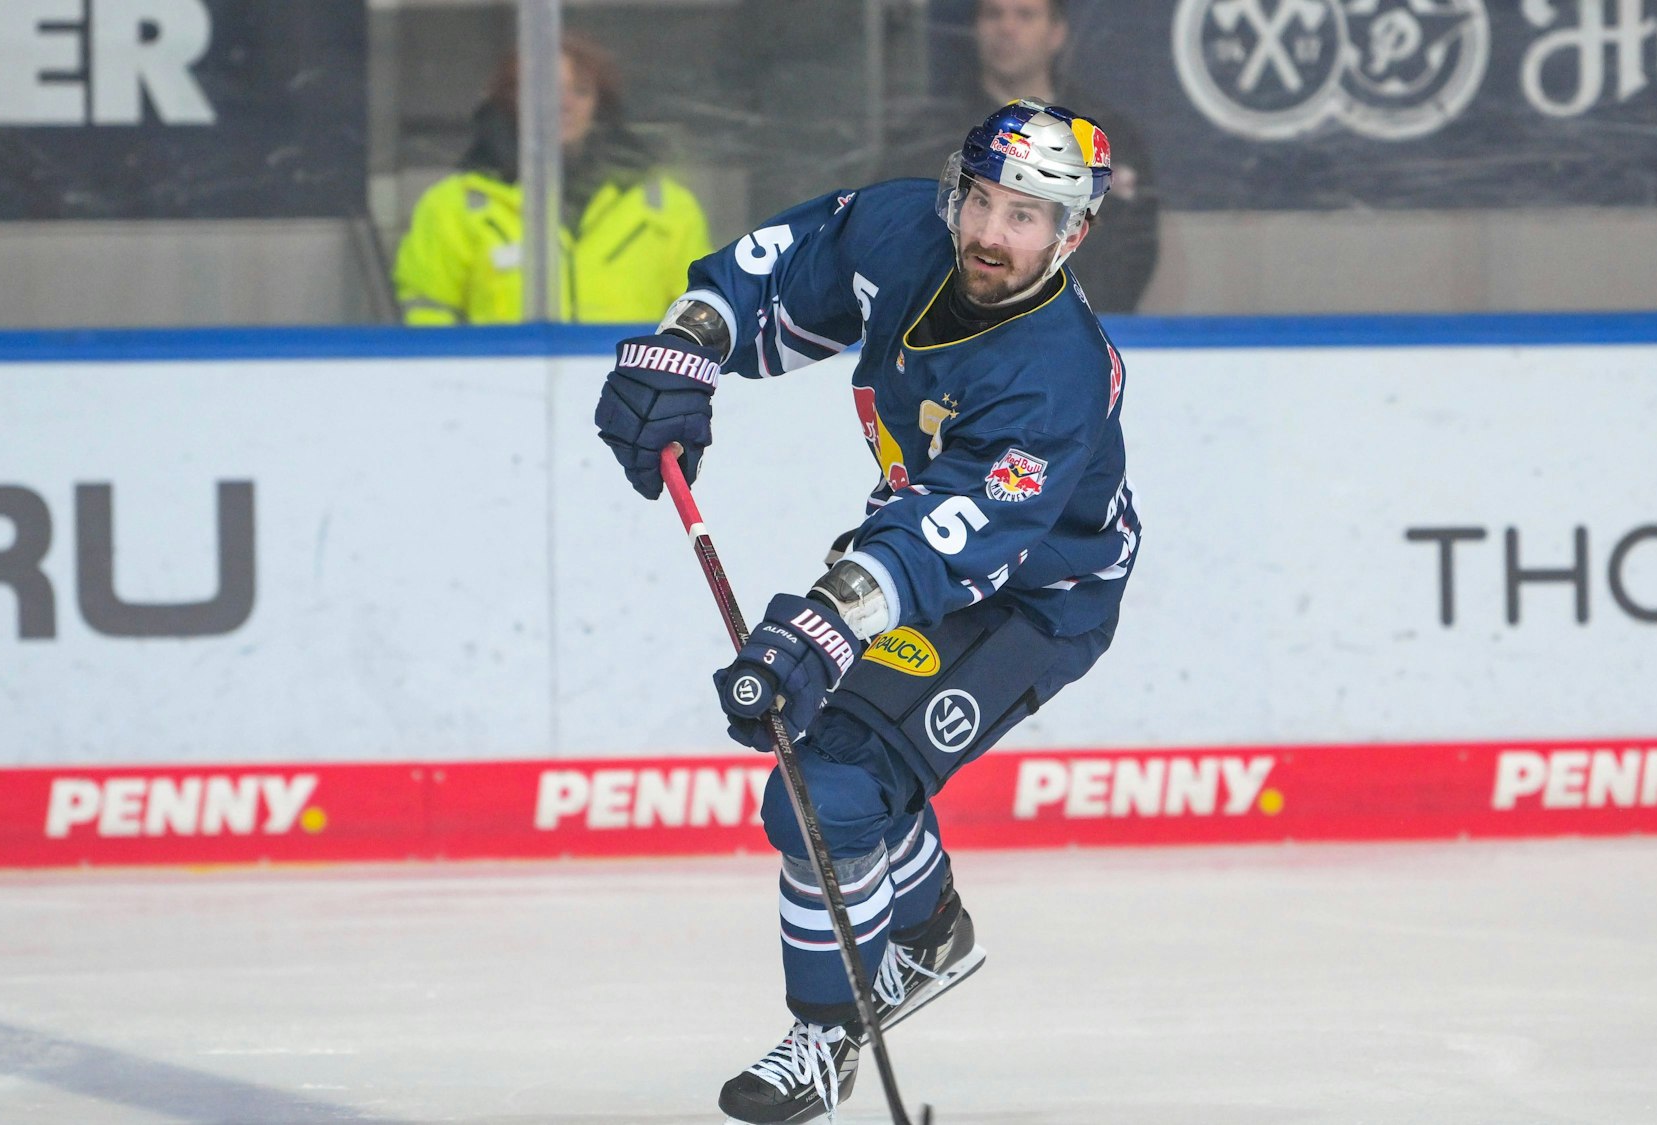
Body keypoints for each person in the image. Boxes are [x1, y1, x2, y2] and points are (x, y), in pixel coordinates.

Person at [594, 98, 1140, 1123]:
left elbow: (958, 531)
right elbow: (773, 265)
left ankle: (829, 1035)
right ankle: (928, 935)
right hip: (911, 558)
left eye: (1024, 216)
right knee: (832, 778)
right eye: (980, 199)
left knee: (828, 788)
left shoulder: (1053, 373)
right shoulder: (904, 233)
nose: (988, 232)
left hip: (1034, 595)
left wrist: (829, 620)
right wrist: (683, 346)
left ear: (1072, 234)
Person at [393, 35, 712, 325]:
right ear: (511, 98)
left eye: (581, 91)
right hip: (499, 386)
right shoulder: (455, 206)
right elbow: (427, 318)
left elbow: (696, 316)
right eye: (545, 89)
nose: (564, 104)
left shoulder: (665, 206)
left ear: (600, 104)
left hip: (633, 384)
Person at [881, 0, 1160, 314]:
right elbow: (899, 242)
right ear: (975, 29)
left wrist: (1062, 322)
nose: (1007, 28)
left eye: (1025, 15)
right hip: (952, 328)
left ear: (1057, 32)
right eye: (994, 14)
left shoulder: (1106, 140)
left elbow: (1131, 254)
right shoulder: (927, 136)